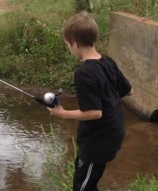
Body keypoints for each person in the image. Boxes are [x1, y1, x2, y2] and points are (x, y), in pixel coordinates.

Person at [46, 11, 133, 191]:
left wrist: (62, 113)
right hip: (113, 133)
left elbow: (95, 112)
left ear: (75, 43)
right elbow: (128, 91)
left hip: (97, 141)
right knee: (88, 179)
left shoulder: (83, 73)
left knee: (82, 187)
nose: (69, 48)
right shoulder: (108, 61)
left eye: (68, 45)